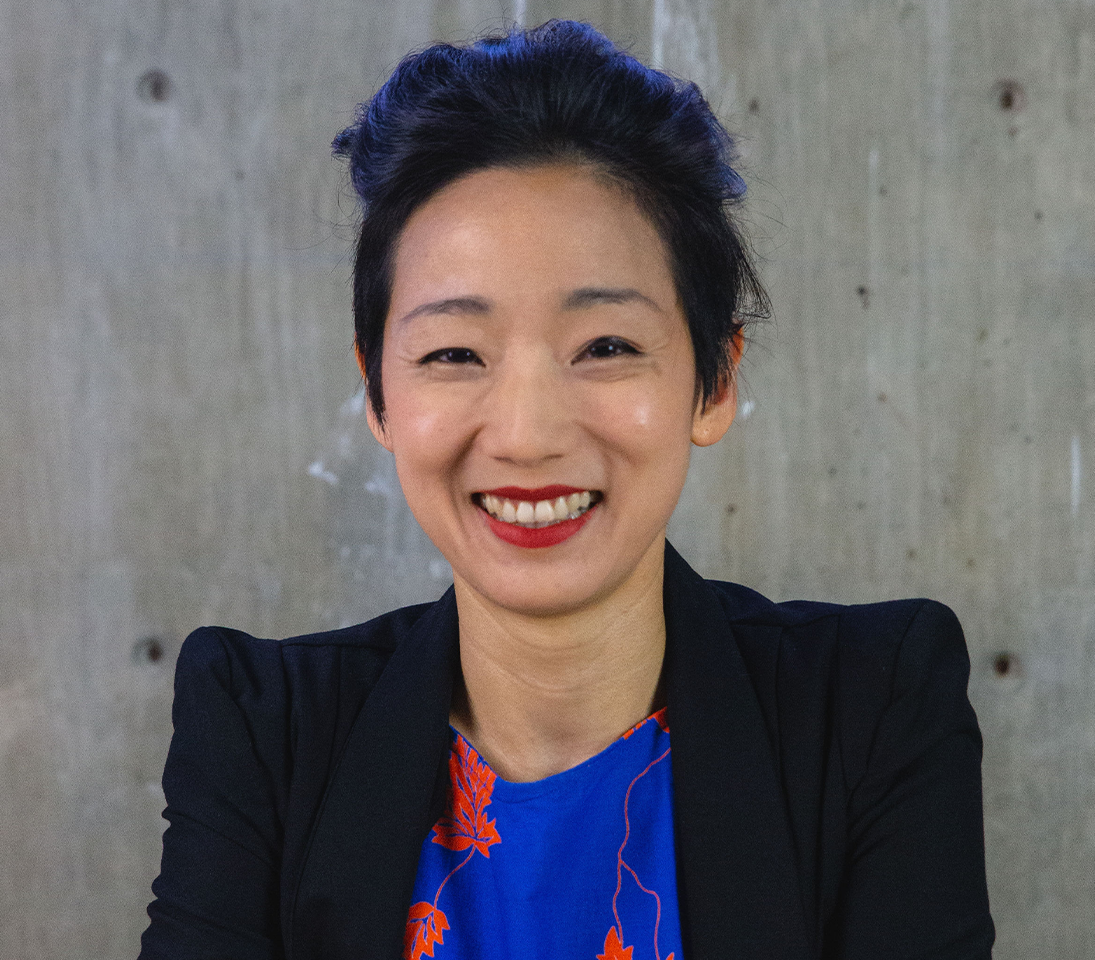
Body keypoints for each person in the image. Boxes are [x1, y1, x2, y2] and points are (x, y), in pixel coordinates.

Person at [139, 19, 994, 960]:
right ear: (378, 393)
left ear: (713, 382)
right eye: (453, 353)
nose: (526, 434)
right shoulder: (266, 732)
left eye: (607, 348)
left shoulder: (870, 708)